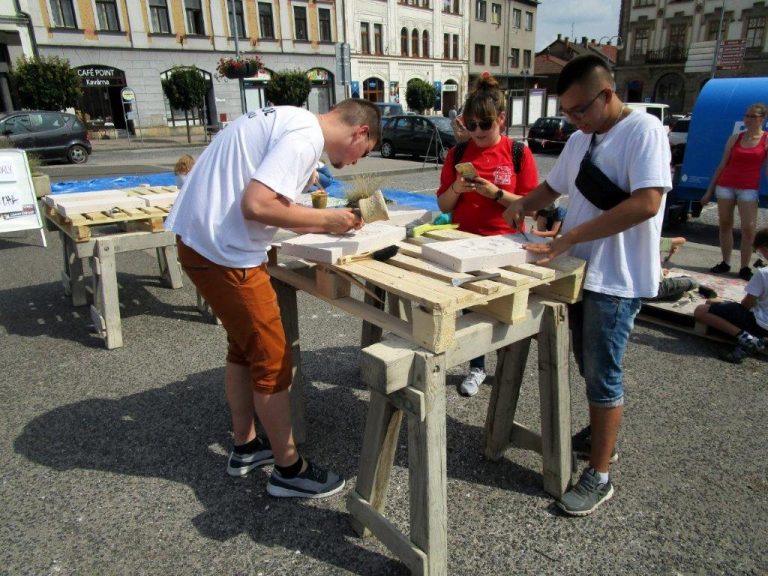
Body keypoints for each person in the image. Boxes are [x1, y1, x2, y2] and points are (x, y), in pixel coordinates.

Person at [165, 100, 380, 499]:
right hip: (223, 250)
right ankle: (288, 468)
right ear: (360, 133)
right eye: (362, 154)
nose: (352, 164)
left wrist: (306, 200)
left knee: (244, 349)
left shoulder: (289, 118)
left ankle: (246, 446)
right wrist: (326, 220)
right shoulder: (304, 136)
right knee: (272, 358)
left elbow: (258, 192)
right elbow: (257, 205)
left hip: (202, 241)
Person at [502, 55, 672, 516]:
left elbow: (646, 204)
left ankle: (600, 473)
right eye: (568, 112)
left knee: (602, 373)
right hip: (578, 272)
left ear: (607, 94)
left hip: (615, 278)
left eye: (580, 110)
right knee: (587, 361)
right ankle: (600, 436)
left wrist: (569, 237)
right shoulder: (581, 139)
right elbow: (552, 189)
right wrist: (520, 204)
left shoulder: (644, 133)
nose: (573, 120)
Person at [436, 72, 539, 397]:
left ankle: (508, 373)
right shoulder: (458, 154)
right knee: (472, 311)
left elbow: (532, 208)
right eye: (472, 123)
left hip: (507, 247)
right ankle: (477, 367)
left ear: (502, 120)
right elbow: (443, 203)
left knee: (508, 312)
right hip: (466, 245)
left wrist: (495, 193)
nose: (478, 131)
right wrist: (457, 187)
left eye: (486, 124)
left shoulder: (518, 152)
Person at [700, 103, 768, 281]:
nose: (747, 119)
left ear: (762, 118)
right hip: (726, 185)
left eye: (752, 116)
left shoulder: (766, 139)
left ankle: (744, 267)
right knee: (725, 223)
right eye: (746, 115)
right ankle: (725, 261)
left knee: (748, 228)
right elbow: (722, 165)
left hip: (748, 187)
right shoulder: (735, 138)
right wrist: (709, 191)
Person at [693, 228, 768, 364]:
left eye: (760, 253)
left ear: (765, 249)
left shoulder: (763, 273)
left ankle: (749, 340)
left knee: (701, 310)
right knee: (713, 301)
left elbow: (747, 305)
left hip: (761, 324)